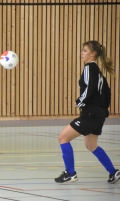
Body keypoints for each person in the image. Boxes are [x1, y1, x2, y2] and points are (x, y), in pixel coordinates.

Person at [54, 40, 120, 184]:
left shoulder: (90, 68)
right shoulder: (98, 73)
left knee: (63, 138)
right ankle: (113, 172)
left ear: (93, 54)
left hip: (91, 114)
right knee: (91, 144)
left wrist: (80, 101)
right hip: (98, 114)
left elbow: (90, 89)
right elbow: (107, 94)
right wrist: (102, 110)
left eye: (84, 50)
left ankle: (70, 173)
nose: (81, 53)